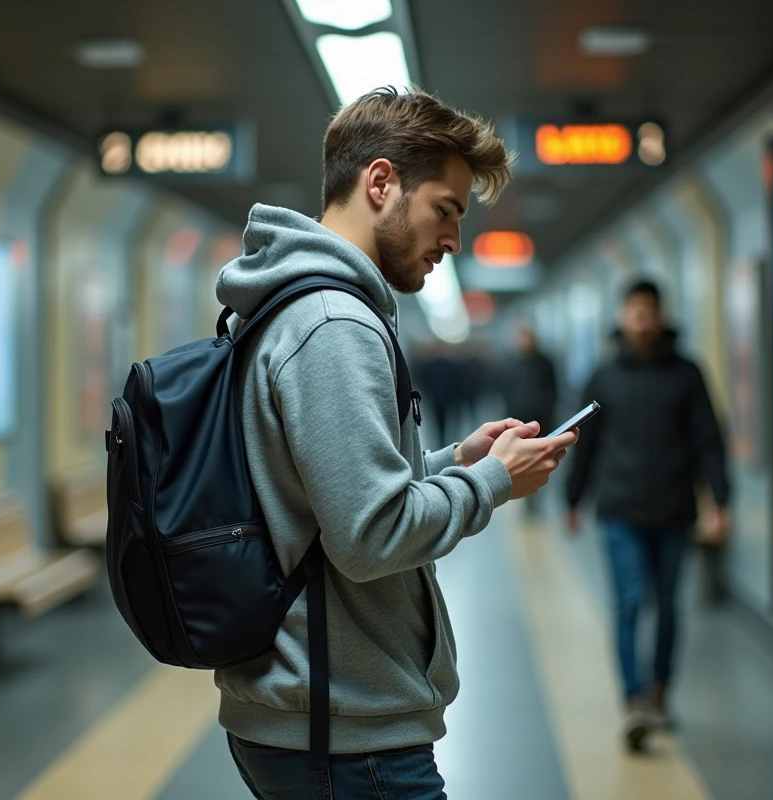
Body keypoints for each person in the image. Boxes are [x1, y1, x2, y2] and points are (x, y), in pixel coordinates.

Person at [214, 86, 579, 799]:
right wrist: (492, 483)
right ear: (380, 182)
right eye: (446, 209)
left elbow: (328, 495)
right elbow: (370, 535)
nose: (454, 240)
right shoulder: (333, 324)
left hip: (318, 711)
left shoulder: (295, 304)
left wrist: (452, 462)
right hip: (344, 733)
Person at [565, 279, 730, 752]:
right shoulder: (604, 376)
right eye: (631, 311)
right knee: (630, 602)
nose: (639, 319)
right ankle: (634, 700)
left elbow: (708, 441)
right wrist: (574, 501)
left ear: (660, 317)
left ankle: (660, 689)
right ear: (621, 317)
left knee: (667, 605)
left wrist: (721, 498)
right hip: (619, 509)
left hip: (674, 509)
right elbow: (585, 443)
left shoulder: (687, 374)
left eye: (647, 311)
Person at [500, 322, 558, 518]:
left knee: (540, 461)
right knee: (521, 461)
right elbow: (505, 392)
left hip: (541, 420)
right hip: (519, 422)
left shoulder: (546, 363)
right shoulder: (512, 364)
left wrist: (550, 415)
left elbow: (553, 391)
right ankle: (526, 499)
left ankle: (537, 498)